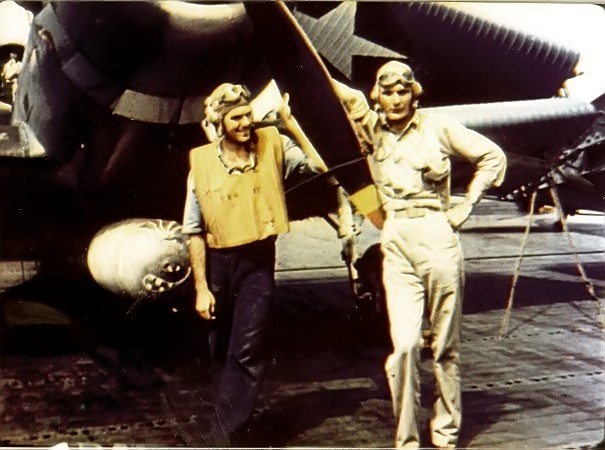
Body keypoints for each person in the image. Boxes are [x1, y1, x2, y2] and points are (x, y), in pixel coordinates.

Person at [334, 61, 507, 448]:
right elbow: (330, 89)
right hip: (394, 238)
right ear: (377, 94)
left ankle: (444, 435)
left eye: (403, 91)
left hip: (436, 234)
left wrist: (466, 205)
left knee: (446, 347)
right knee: (406, 346)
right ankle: (407, 440)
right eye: (387, 91)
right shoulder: (368, 128)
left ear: (415, 93)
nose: (395, 99)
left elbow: (492, 157)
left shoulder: (437, 127)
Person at [181, 82, 321, 446]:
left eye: (248, 115)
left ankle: (225, 435)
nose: (246, 123)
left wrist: (292, 125)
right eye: (236, 118)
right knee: (222, 347)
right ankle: (232, 420)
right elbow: (193, 230)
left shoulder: (274, 145)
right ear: (220, 123)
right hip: (218, 263)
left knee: (248, 349)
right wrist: (201, 288)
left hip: (258, 262)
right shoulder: (201, 163)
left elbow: (318, 163)